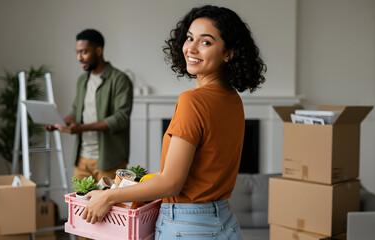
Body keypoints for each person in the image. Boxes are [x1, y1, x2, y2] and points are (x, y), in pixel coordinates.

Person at [82, 5, 266, 239]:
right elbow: (195, 171)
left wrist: (107, 197)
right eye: (189, 38)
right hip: (225, 223)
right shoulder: (233, 100)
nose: (191, 48)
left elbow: (172, 184)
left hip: (187, 227)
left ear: (229, 53)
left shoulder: (193, 101)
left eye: (206, 42)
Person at [47, 29, 133, 183]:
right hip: (81, 159)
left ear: (98, 50)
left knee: (109, 206)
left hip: (109, 160)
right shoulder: (82, 80)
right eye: (77, 52)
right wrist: (59, 121)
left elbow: (121, 119)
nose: (79, 57)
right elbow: (76, 111)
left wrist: (82, 128)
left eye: (84, 52)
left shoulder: (120, 79)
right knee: (80, 206)